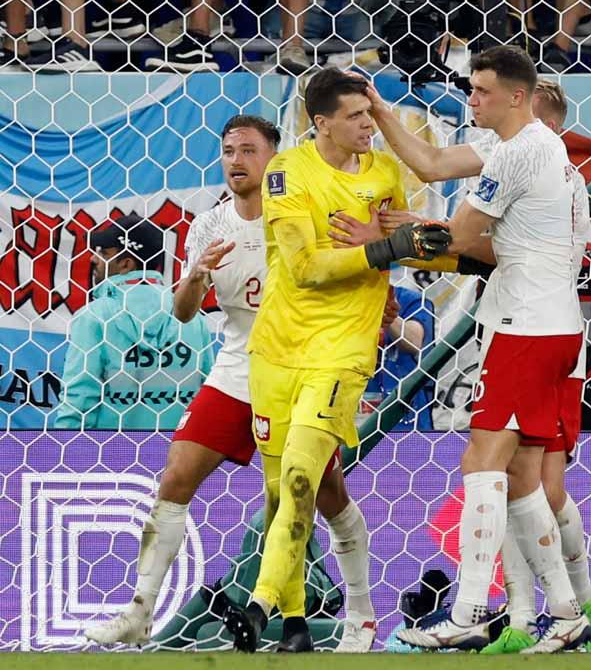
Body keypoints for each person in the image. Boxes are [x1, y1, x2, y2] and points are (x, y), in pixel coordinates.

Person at [82, 115, 388, 652]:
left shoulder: (302, 214)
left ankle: (361, 613)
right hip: (236, 371)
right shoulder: (209, 226)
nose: (235, 160)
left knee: (328, 497)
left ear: (276, 158)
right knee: (176, 476)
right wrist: (195, 278)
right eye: (227, 151)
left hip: (301, 372)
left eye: (248, 149)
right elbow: (182, 314)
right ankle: (140, 610)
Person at [330, 75, 591, 654]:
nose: (470, 101)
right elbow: (432, 164)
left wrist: (380, 245)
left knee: (481, 461)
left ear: (518, 97)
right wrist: (382, 110)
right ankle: (565, 612)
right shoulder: (537, 149)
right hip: (549, 323)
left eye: (481, 91)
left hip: (525, 326)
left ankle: (469, 611)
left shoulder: (516, 154)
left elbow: (460, 241)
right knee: (522, 477)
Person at [219, 69, 451, 654]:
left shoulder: (385, 172)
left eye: (371, 114)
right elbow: (305, 268)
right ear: (320, 123)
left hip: (344, 352)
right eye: (356, 116)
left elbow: (409, 246)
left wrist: (406, 248)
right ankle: (294, 624)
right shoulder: (286, 173)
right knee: (284, 492)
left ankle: (258, 603)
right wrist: (381, 248)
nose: (369, 125)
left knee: (300, 476)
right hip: (276, 351)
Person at [55, 214, 213, 430]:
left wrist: (64, 454)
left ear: (126, 264)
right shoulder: (194, 318)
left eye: (103, 253)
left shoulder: (94, 317)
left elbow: (78, 400)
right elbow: (209, 396)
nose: (93, 259)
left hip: (111, 455)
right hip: (181, 456)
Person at [362, 285, 436, 430]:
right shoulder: (336, 301)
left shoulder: (410, 299)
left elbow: (414, 341)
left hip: (404, 418)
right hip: (352, 412)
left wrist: (381, 308)